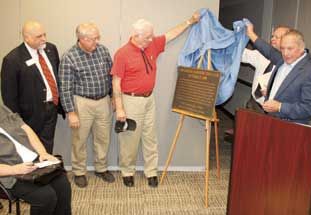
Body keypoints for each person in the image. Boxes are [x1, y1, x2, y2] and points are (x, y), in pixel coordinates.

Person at [111, 12, 200, 188]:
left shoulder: (151, 45)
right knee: (130, 139)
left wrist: (190, 21)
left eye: (152, 36)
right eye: (147, 37)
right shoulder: (122, 54)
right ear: (136, 36)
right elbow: (116, 82)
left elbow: (171, 34)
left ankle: (151, 171)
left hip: (149, 99)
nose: (151, 40)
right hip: (131, 101)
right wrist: (120, 108)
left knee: (150, 137)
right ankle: (127, 172)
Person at [59, 23, 114, 188]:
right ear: (82, 39)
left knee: (103, 138)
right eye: (93, 39)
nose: (97, 41)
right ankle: (79, 172)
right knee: (79, 140)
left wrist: (112, 96)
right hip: (82, 103)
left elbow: (110, 75)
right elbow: (65, 87)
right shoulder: (69, 57)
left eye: (98, 37)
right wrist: (71, 112)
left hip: (103, 101)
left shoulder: (103, 51)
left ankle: (101, 168)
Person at [1, 21, 65, 154]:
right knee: (31, 148)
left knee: (47, 146)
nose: (44, 39)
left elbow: (56, 75)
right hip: (29, 114)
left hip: (51, 108)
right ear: (26, 38)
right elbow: (9, 96)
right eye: (38, 36)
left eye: (44, 34)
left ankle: (46, 173)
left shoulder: (51, 49)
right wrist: (18, 121)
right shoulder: (12, 60)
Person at [0, 105, 71, 215]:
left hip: (34, 161)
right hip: (10, 173)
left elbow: (26, 128)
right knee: (46, 197)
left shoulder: (1, 109)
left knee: (63, 185)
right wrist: (15, 170)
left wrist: (42, 153)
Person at [246, 23, 311, 124]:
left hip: (288, 128)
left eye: (290, 49)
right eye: (282, 48)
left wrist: (280, 107)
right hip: (271, 121)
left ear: (302, 47)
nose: (285, 53)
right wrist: (250, 33)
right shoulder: (282, 59)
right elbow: (267, 49)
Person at [242, 26, 290, 112]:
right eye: (272, 36)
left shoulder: (290, 64)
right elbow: (243, 55)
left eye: (277, 37)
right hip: (253, 104)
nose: (272, 39)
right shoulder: (262, 54)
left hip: (272, 111)